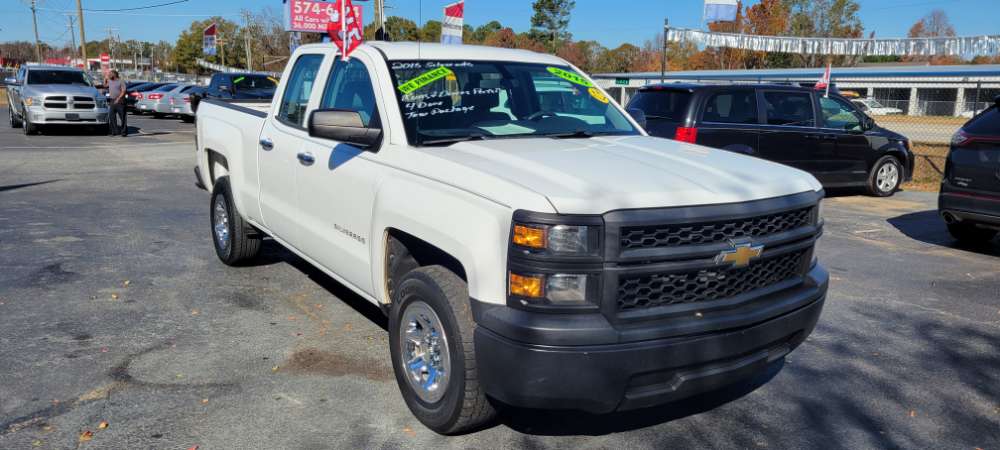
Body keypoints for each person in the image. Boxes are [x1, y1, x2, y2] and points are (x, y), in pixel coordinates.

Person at [106, 70, 127, 137]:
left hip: (120, 101)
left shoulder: (121, 81)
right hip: (112, 101)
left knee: (122, 117)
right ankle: (114, 132)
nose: (109, 75)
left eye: (110, 74)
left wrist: (118, 99)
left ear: (114, 74)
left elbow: (123, 91)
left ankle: (124, 132)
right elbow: (105, 85)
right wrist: (105, 79)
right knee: (111, 116)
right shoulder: (110, 81)